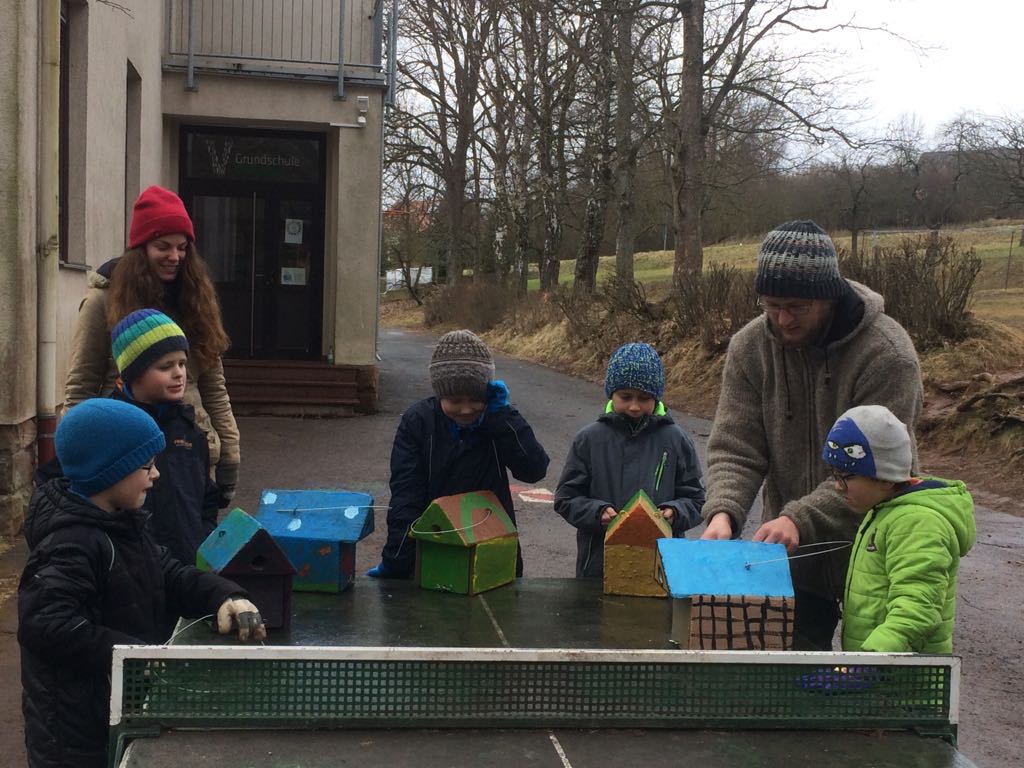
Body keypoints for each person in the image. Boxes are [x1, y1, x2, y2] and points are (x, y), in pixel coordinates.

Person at [700, 220, 923, 650]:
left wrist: (800, 517)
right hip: (791, 556)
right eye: (771, 305)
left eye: (797, 306)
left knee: (872, 691)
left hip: (876, 551)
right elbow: (736, 446)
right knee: (791, 685)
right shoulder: (749, 348)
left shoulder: (887, 355)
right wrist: (723, 512)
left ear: (829, 295)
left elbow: (885, 471)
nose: (782, 319)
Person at [18, 398, 266, 768]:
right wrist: (131, 654)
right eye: (146, 466)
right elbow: (48, 624)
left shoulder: (124, 523)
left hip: (120, 709)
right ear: (109, 472)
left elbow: (168, 573)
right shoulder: (71, 544)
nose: (156, 475)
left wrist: (222, 596)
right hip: (75, 737)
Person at [63, 185, 240, 507]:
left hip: (190, 455)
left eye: (182, 247)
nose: (175, 257)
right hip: (124, 457)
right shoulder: (103, 301)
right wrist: (77, 463)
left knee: (188, 548)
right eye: (163, 246)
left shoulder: (196, 301)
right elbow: (79, 389)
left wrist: (229, 453)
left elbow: (214, 388)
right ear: (141, 248)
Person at [367, 329, 550, 578]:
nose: (466, 409)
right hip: (434, 548)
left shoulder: (499, 421)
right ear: (440, 394)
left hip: (491, 549)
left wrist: (504, 418)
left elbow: (534, 469)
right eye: (454, 400)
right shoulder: (418, 423)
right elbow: (406, 493)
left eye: (476, 399)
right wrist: (397, 557)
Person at [822, 405, 975, 652]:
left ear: (883, 476)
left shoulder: (917, 524)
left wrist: (868, 662)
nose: (838, 487)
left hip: (903, 680)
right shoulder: (884, 509)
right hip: (881, 673)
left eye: (846, 477)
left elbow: (919, 608)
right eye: (834, 475)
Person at [554, 342, 705, 577]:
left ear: (656, 398)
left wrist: (674, 513)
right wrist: (597, 512)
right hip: (598, 567)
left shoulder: (676, 440)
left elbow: (696, 500)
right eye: (625, 397)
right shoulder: (589, 439)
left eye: (644, 398)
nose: (634, 406)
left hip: (662, 567)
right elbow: (566, 498)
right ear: (611, 394)